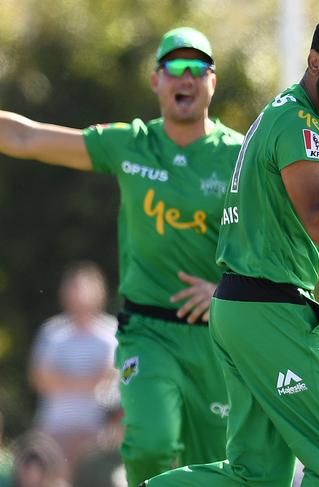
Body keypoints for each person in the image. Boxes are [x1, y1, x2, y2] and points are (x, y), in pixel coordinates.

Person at [144, 11, 319, 487]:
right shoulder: (298, 121)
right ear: (314, 61)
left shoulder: (286, 113)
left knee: (257, 476)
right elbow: (318, 222)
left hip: (241, 308)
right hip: (271, 309)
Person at [0, 27, 243, 486]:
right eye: (174, 67)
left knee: (211, 467)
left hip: (215, 335)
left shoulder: (239, 156)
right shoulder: (131, 143)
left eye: (197, 68)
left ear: (213, 81)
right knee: (149, 442)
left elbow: (273, 242)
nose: (184, 78)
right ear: (156, 81)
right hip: (147, 329)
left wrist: (227, 291)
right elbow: (29, 138)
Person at [29, 261, 118, 479]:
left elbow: (114, 377)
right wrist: (90, 381)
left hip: (98, 432)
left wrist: (64, 380)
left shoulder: (111, 331)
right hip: (54, 428)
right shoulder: (53, 332)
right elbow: (40, 378)